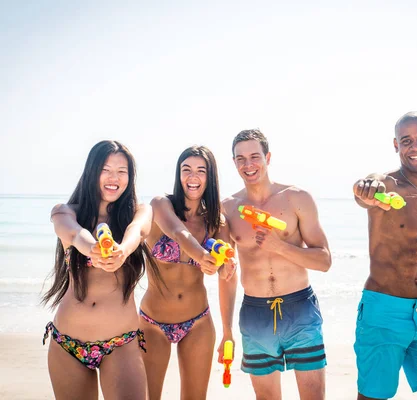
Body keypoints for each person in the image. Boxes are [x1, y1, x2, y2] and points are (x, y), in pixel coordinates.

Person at [42, 140, 159, 399]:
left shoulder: (140, 211)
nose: (113, 178)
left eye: (122, 171)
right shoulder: (64, 212)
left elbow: (136, 232)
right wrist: (93, 248)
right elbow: (73, 233)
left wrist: (122, 252)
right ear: (92, 172)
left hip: (121, 343)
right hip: (68, 345)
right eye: (105, 169)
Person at [221, 129, 332, 400]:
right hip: (255, 312)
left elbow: (324, 260)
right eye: (241, 159)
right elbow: (226, 275)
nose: (249, 165)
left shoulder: (297, 198)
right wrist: (226, 331)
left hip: (300, 309)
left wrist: (279, 247)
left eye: (255, 156)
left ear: (268, 157)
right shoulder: (227, 208)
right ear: (234, 163)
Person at [352, 111, 417, 400]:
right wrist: (364, 189)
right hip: (382, 310)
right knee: (373, 396)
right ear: (395, 145)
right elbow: (363, 190)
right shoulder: (385, 185)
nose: (415, 146)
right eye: (406, 140)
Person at [140, 145, 237, 400]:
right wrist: (203, 256)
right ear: (178, 174)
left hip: (198, 322)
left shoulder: (216, 221)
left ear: (210, 177)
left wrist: (228, 331)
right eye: (187, 170)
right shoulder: (160, 205)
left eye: (200, 171)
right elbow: (178, 233)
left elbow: (228, 274)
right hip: (152, 323)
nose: (193, 177)